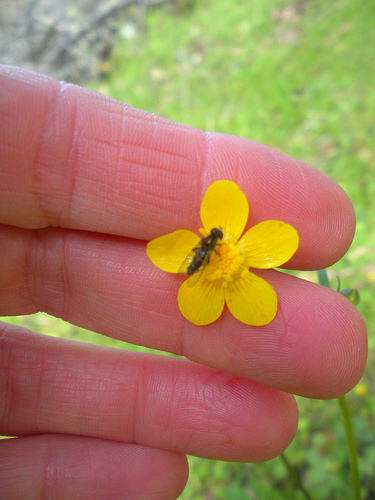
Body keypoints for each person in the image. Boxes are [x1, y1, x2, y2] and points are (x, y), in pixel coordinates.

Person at [0, 65, 367, 499]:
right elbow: (169, 254)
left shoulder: (252, 251)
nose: (216, 253)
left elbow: (271, 248)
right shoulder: (194, 265)